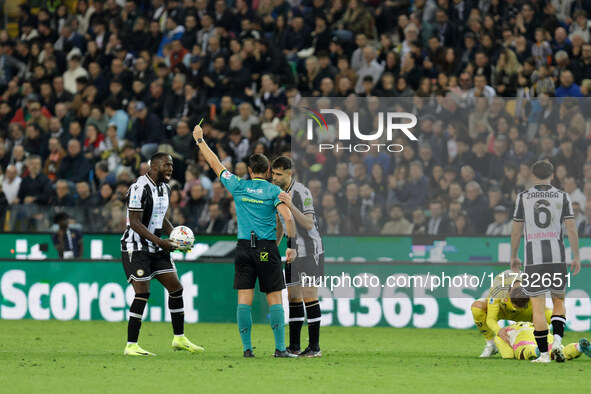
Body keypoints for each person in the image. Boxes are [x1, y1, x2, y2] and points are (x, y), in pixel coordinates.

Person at [192, 123, 297, 358]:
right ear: (269, 170)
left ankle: (247, 349)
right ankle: (280, 349)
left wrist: (200, 140)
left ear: (250, 170)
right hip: (266, 248)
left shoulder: (239, 185)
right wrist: (289, 247)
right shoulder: (273, 191)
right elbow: (288, 218)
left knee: (244, 299)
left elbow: (215, 164)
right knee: (275, 298)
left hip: (243, 249)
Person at [120, 152, 203, 356]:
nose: (170, 169)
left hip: (157, 247)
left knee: (176, 288)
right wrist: (160, 242)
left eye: (172, 165)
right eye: (167, 165)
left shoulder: (164, 188)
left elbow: (161, 218)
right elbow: (135, 222)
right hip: (136, 247)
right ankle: (131, 345)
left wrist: (176, 237)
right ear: (154, 166)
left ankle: (179, 339)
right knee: (142, 292)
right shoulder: (139, 187)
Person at [510, 161, 581, 363]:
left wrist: (513, 255)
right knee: (559, 300)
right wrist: (576, 256)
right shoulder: (563, 196)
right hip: (557, 258)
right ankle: (557, 342)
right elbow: (571, 228)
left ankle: (543, 354)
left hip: (534, 261)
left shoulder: (523, 197)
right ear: (552, 176)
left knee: (538, 306)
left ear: (533, 177)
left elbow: (516, 230)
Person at [271, 156, 324, 357]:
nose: (275, 178)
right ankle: (294, 347)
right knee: (293, 298)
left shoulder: (302, 192)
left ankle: (315, 347)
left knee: (309, 297)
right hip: (292, 252)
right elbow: (279, 224)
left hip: (310, 250)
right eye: (273, 173)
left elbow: (309, 224)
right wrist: (274, 248)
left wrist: (291, 205)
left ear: (289, 173)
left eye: (279, 174)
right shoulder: (277, 193)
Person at [471, 270, 551, 357]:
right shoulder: (498, 289)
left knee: (550, 314)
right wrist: (498, 330)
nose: (516, 309)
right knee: (477, 307)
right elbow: (491, 319)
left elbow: (540, 313)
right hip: (502, 311)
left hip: (526, 312)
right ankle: (491, 344)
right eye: (515, 305)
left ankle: (548, 343)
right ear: (509, 294)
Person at [494, 321, 591, 361]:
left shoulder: (503, 332)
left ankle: (538, 351)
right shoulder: (536, 319)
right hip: (542, 331)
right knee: (560, 350)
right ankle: (579, 347)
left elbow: (508, 355)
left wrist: (497, 340)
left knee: (525, 350)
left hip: (522, 335)